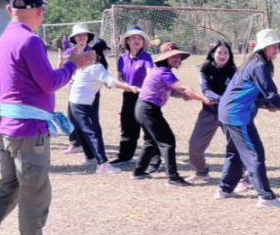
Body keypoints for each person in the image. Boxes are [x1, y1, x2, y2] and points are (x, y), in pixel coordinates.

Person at [0, 0, 95, 235]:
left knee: (7, 191)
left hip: (7, 128)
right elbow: (49, 83)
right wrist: (73, 65)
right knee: (35, 193)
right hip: (28, 131)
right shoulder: (30, 40)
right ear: (39, 11)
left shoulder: (4, 39)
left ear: (10, 10)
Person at [216, 28, 280, 209]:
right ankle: (266, 198)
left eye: (277, 46)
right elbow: (272, 95)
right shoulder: (259, 65)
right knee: (255, 154)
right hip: (237, 115)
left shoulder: (254, 63)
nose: (276, 50)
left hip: (227, 112)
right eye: (272, 46)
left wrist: (265, 104)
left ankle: (224, 189)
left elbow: (253, 92)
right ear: (263, 48)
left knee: (235, 151)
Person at [133, 42, 210, 185]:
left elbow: (173, 91)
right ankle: (173, 178)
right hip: (148, 110)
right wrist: (204, 99)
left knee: (151, 141)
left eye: (179, 57)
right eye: (174, 57)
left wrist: (185, 96)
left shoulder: (162, 71)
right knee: (167, 142)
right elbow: (184, 88)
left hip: (144, 109)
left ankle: (139, 171)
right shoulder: (164, 72)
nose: (177, 59)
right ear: (165, 57)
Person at [68, 39, 138, 175]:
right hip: (81, 105)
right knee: (93, 133)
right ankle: (102, 165)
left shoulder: (86, 66)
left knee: (89, 131)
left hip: (77, 103)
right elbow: (111, 81)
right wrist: (130, 88)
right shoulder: (97, 67)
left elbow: (106, 81)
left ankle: (92, 159)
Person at [187, 40, 237, 182]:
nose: (222, 56)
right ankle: (201, 172)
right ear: (212, 53)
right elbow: (206, 90)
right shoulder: (205, 69)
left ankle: (245, 176)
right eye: (219, 52)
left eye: (226, 53)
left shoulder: (235, 72)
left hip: (229, 113)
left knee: (238, 145)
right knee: (195, 146)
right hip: (209, 112)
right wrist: (220, 99)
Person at [112, 27, 155, 165]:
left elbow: (150, 74)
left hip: (144, 96)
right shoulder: (122, 58)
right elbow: (120, 76)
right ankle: (125, 156)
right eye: (133, 38)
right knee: (127, 125)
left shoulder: (147, 57)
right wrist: (127, 86)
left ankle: (154, 160)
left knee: (148, 128)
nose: (137, 41)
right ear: (127, 41)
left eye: (140, 38)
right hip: (128, 95)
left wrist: (144, 89)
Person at [62, 23, 94, 155]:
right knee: (72, 116)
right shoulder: (69, 52)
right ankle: (76, 143)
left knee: (88, 117)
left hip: (88, 88)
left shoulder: (93, 52)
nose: (81, 37)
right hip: (74, 87)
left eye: (83, 35)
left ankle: (89, 143)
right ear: (74, 38)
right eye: (78, 35)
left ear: (88, 37)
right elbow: (63, 68)